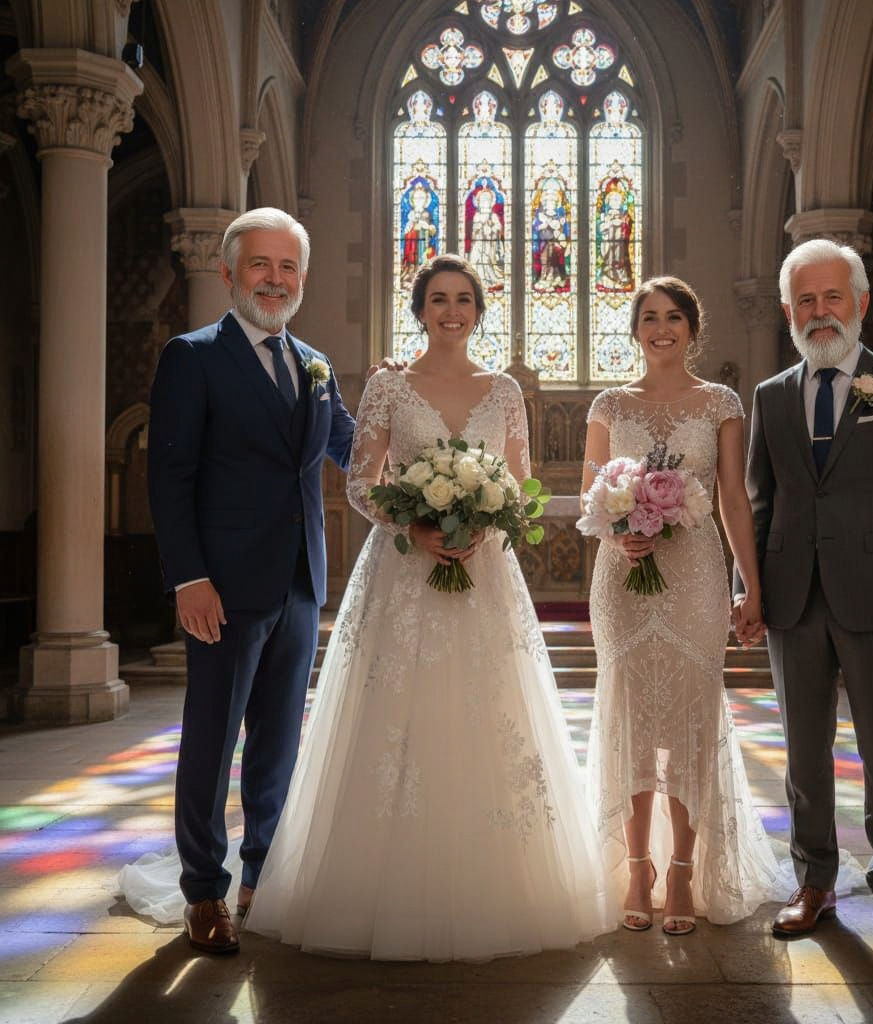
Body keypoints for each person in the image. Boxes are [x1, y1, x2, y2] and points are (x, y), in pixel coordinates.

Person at [242, 254, 614, 960]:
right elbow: (360, 482)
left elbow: (522, 483)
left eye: (464, 299)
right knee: (398, 719)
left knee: (484, 713)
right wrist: (412, 522)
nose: (452, 311)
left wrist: (486, 517)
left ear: (479, 310)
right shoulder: (389, 386)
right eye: (438, 298)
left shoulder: (505, 390)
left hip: (484, 574)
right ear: (419, 309)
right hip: (403, 573)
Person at [146, 207, 355, 953]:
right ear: (230, 272)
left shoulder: (315, 364)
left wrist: (417, 426)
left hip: (300, 582)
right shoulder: (193, 356)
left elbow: (356, 454)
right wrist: (189, 578)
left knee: (278, 743)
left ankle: (263, 874)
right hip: (224, 588)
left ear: (303, 278)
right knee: (212, 738)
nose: (275, 279)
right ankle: (203, 890)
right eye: (261, 265)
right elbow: (169, 477)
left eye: (288, 266)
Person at [742, 238, 873, 949]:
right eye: (805, 300)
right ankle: (816, 882)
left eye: (833, 297)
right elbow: (758, 505)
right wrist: (752, 593)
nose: (820, 312)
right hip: (793, 599)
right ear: (787, 311)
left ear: (861, 302)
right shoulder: (769, 397)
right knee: (802, 752)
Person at [581, 276, 786, 936]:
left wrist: (749, 587)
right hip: (623, 578)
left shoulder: (719, 402)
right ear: (635, 329)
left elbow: (733, 500)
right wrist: (620, 529)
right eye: (649, 316)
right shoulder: (609, 405)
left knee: (690, 722)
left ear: (693, 329)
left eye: (674, 317)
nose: (661, 327)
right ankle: (636, 866)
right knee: (633, 722)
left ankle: (682, 872)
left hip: (695, 577)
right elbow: (594, 493)